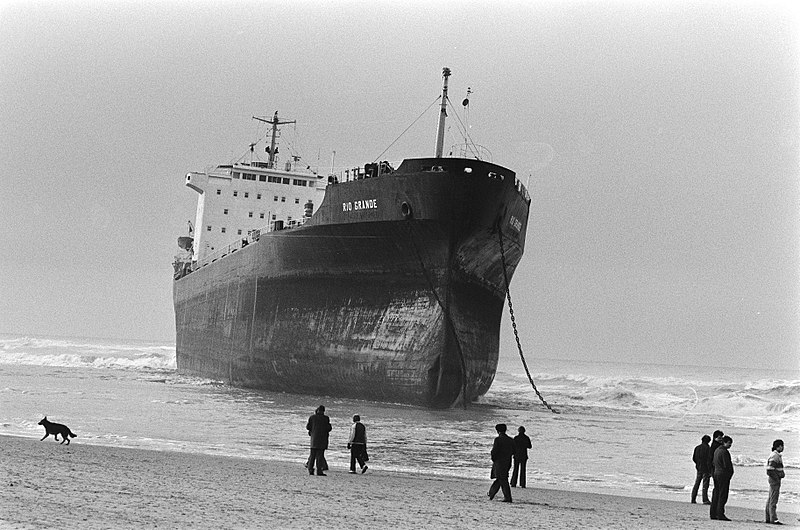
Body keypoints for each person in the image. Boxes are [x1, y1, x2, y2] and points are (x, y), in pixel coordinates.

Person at [488, 423, 515, 503]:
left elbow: (494, 451)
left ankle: (507, 497)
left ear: (497, 430)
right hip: (507, 461)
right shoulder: (511, 440)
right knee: (502, 478)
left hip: (499, 461)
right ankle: (491, 493)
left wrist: (494, 459)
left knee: (502, 479)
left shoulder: (498, 439)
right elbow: (514, 451)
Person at [710, 435, 734, 521]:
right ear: (724, 442)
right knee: (722, 495)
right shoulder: (724, 452)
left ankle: (713, 513)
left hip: (716, 473)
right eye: (729, 443)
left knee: (716, 493)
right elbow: (726, 465)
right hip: (723, 475)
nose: (730, 445)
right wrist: (730, 473)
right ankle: (720, 514)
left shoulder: (717, 450)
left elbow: (713, 462)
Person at [306, 405, 332, 476]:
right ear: (323, 411)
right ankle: (319, 471)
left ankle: (310, 469)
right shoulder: (326, 418)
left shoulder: (312, 417)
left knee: (312, 456)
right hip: (322, 440)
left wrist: (312, 430)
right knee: (320, 456)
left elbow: (308, 427)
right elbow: (329, 428)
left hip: (314, 439)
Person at [765, 439, 785, 525]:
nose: (783, 447)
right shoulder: (775, 456)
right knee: (773, 499)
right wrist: (777, 478)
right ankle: (773, 518)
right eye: (782, 446)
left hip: (774, 479)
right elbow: (769, 470)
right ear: (779, 446)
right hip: (774, 480)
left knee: (770, 498)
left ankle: (769, 517)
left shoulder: (775, 455)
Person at [691, 434, 712, 504]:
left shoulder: (697, 448)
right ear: (709, 441)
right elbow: (709, 460)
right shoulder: (708, 449)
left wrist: (697, 464)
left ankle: (693, 498)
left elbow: (694, 458)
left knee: (697, 483)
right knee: (705, 485)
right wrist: (710, 469)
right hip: (706, 468)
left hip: (699, 467)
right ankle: (705, 499)